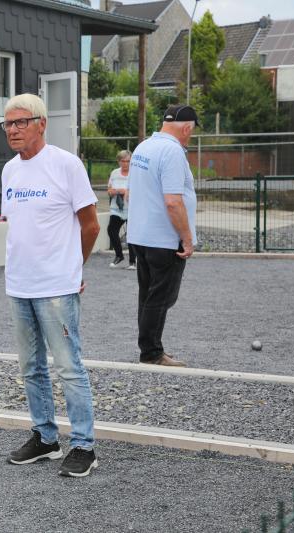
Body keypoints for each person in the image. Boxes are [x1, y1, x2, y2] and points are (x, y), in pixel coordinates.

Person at [0, 93, 101, 477]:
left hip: (56, 287)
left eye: (20, 122)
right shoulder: (10, 171)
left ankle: (84, 446)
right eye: (8, 124)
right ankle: (45, 438)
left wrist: (73, 269)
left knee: (69, 367)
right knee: (31, 367)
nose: (13, 130)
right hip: (19, 285)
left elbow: (91, 225)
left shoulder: (66, 165)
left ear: (42, 124)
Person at [126, 105, 199, 368]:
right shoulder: (173, 152)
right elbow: (173, 202)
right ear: (187, 128)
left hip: (141, 235)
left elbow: (132, 192)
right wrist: (187, 238)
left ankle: (149, 348)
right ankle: (152, 353)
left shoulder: (143, 147)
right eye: (192, 131)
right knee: (161, 297)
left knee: (147, 295)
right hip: (164, 238)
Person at [106, 150, 136, 269]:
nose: (125, 163)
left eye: (128, 161)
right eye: (122, 161)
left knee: (132, 234)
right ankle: (119, 255)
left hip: (131, 208)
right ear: (119, 161)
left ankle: (132, 261)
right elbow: (109, 189)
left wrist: (127, 192)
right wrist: (115, 191)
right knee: (111, 230)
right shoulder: (114, 173)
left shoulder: (135, 173)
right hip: (116, 208)